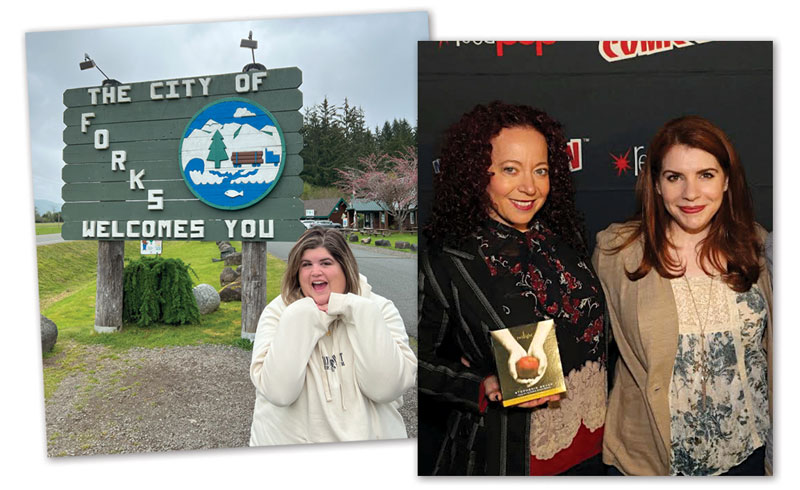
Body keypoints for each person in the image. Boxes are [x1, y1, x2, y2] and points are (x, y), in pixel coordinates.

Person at [418, 101, 607, 475]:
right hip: (511, 456)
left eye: (540, 171)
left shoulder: (564, 241)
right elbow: (409, 360)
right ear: (477, 174)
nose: (529, 187)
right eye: (510, 170)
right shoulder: (448, 259)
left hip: (595, 453)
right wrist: (480, 383)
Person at [593, 116, 772, 475]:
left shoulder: (757, 245)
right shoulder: (618, 252)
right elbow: (582, 335)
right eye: (675, 177)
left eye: (705, 175)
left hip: (750, 452)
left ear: (726, 181)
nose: (691, 193)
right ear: (656, 185)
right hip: (653, 460)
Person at [249, 227, 417, 445]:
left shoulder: (379, 308)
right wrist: (303, 315)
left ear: (344, 267)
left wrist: (357, 312)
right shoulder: (278, 312)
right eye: (306, 264)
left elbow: (386, 387)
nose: (315, 272)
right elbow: (279, 392)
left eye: (326, 263)